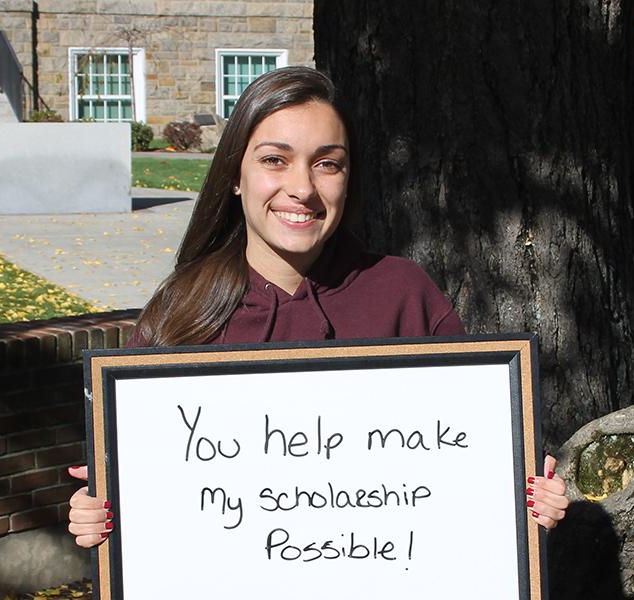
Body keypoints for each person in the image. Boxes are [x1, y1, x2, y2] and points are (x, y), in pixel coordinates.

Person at [66, 66, 569, 548]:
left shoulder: (403, 295)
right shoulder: (181, 311)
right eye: (274, 159)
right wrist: (103, 514)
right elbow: (153, 517)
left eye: (327, 163)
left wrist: (525, 494)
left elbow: (471, 473)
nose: (303, 188)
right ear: (235, 175)